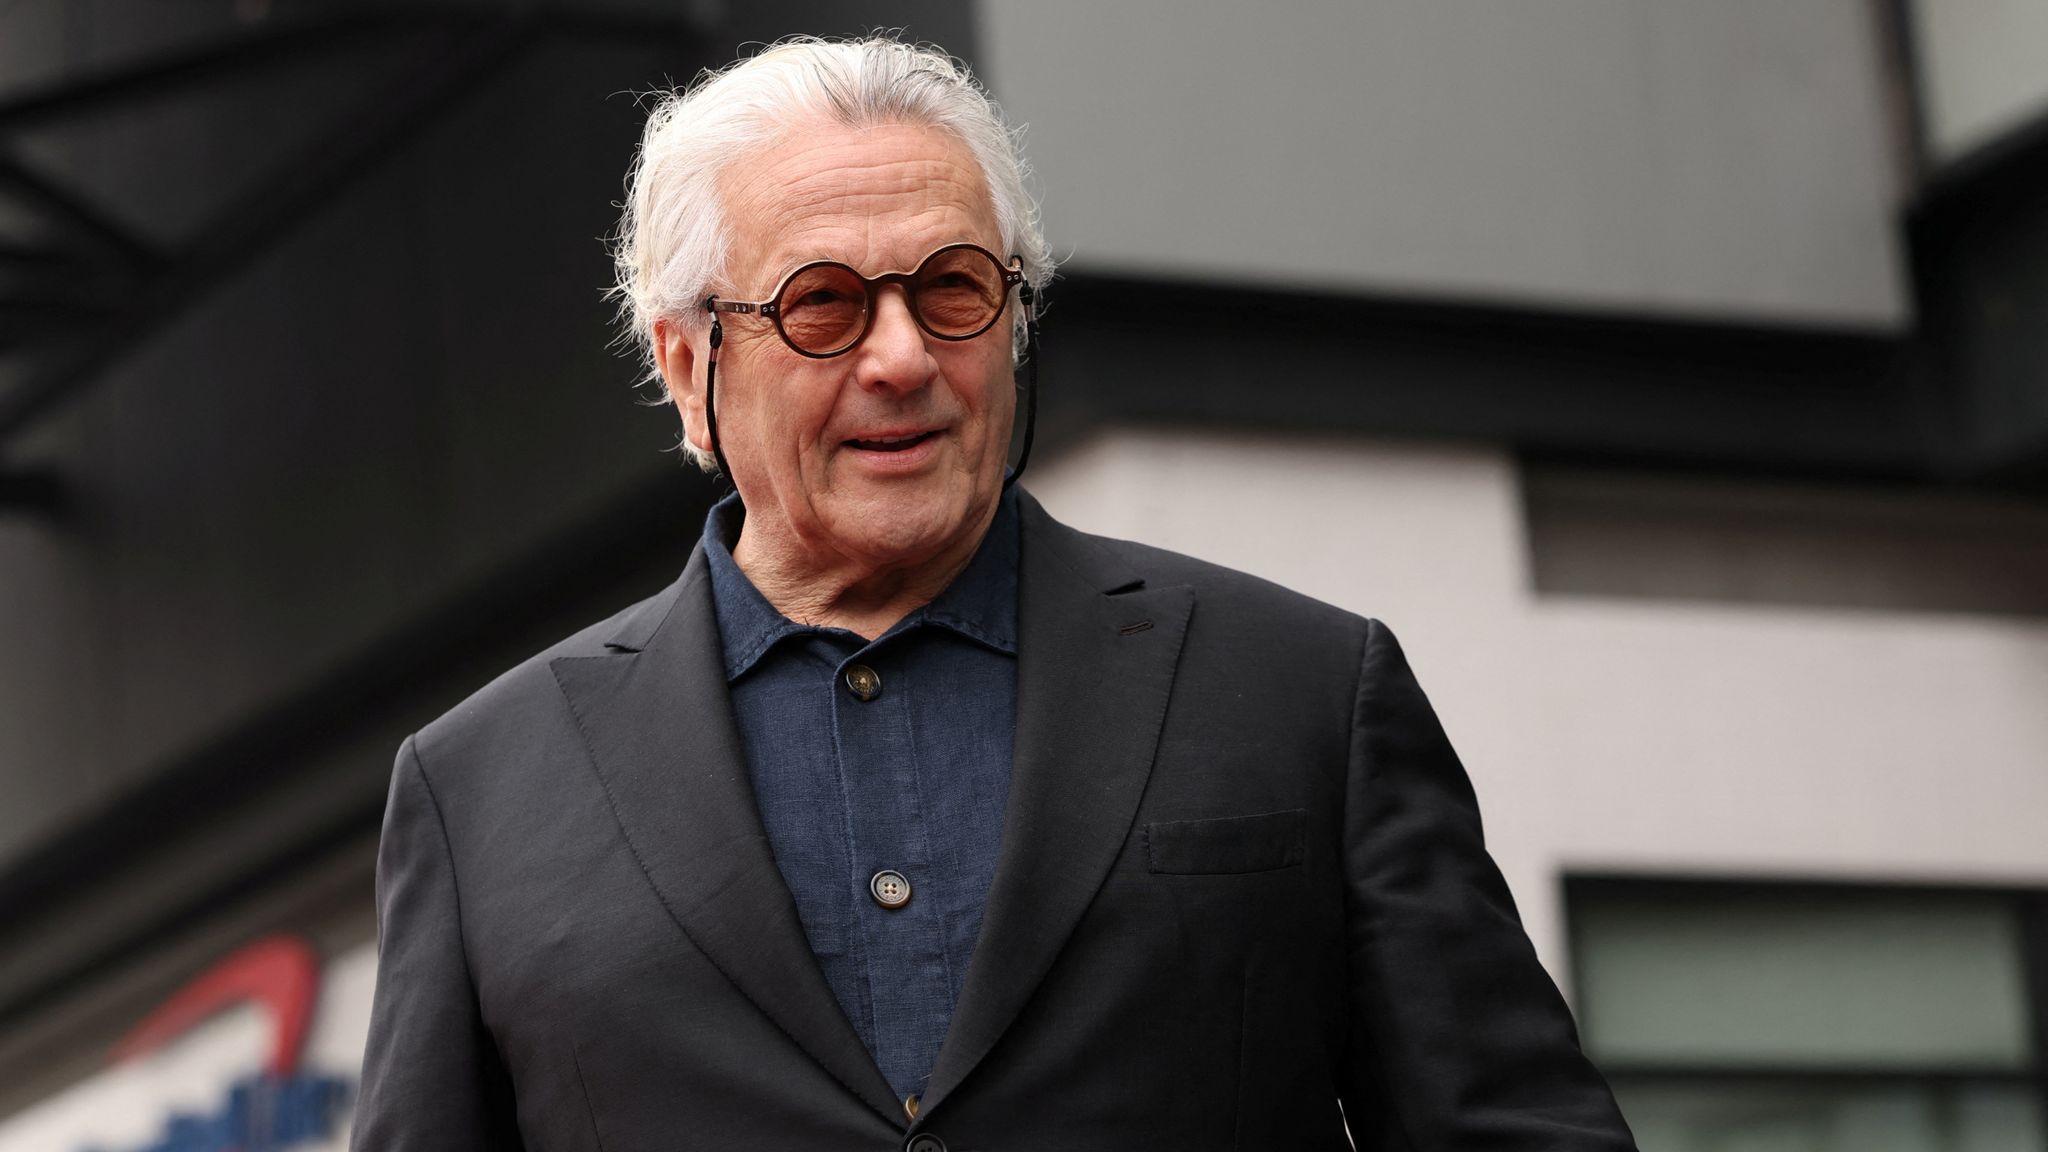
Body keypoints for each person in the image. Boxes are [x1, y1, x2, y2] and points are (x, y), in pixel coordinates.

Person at [352, 35, 1637, 1152]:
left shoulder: (1301, 690)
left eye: (953, 289)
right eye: (824, 307)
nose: (903, 358)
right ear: (690, 360)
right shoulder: (480, 792)